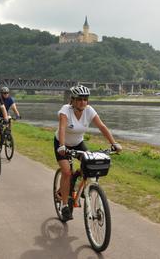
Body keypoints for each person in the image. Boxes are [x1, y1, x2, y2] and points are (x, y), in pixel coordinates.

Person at [54, 85, 122, 222]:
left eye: (85, 99)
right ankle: (65, 205)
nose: (82, 102)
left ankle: (80, 183)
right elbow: (62, 128)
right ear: (72, 100)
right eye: (79, 99)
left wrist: (114, 143)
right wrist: (62, 146)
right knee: (66, 171)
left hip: (78, 143)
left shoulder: (89, 111)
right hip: (62, 144)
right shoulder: (65, 110)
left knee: (90, 164)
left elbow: (102, 126)